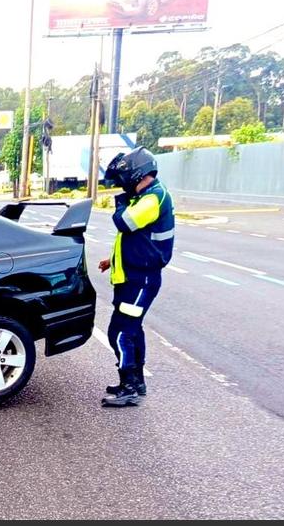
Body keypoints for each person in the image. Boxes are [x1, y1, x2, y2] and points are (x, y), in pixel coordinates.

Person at [97, 146, 174, 407]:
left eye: (123, 179)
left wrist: (119, 204)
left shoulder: (153, 198)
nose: (122, 185)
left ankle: (129, 386)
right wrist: (112, 260)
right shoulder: (148, 197)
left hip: (142, 279)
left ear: (135, 174)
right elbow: (135, 238)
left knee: (120, 331)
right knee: (131, 329)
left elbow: (125, 223)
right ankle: (135, 382)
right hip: (133, 276)